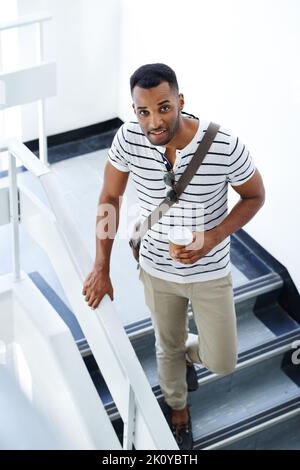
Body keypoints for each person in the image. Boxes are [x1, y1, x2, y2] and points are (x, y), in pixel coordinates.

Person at [82, 63, 265, 449]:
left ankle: (186, 355)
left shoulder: (224, 145)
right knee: (166, 346)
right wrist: (101, 265)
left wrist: (214, 236)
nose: (154, 121)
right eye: (143, 111)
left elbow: (255, 196)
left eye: (163, 107)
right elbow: (109, 199)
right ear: (134, 110)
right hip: (156, 269)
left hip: (209, 273)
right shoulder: (128, 138)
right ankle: (178, 410)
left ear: (180, 100)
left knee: (222, 361)